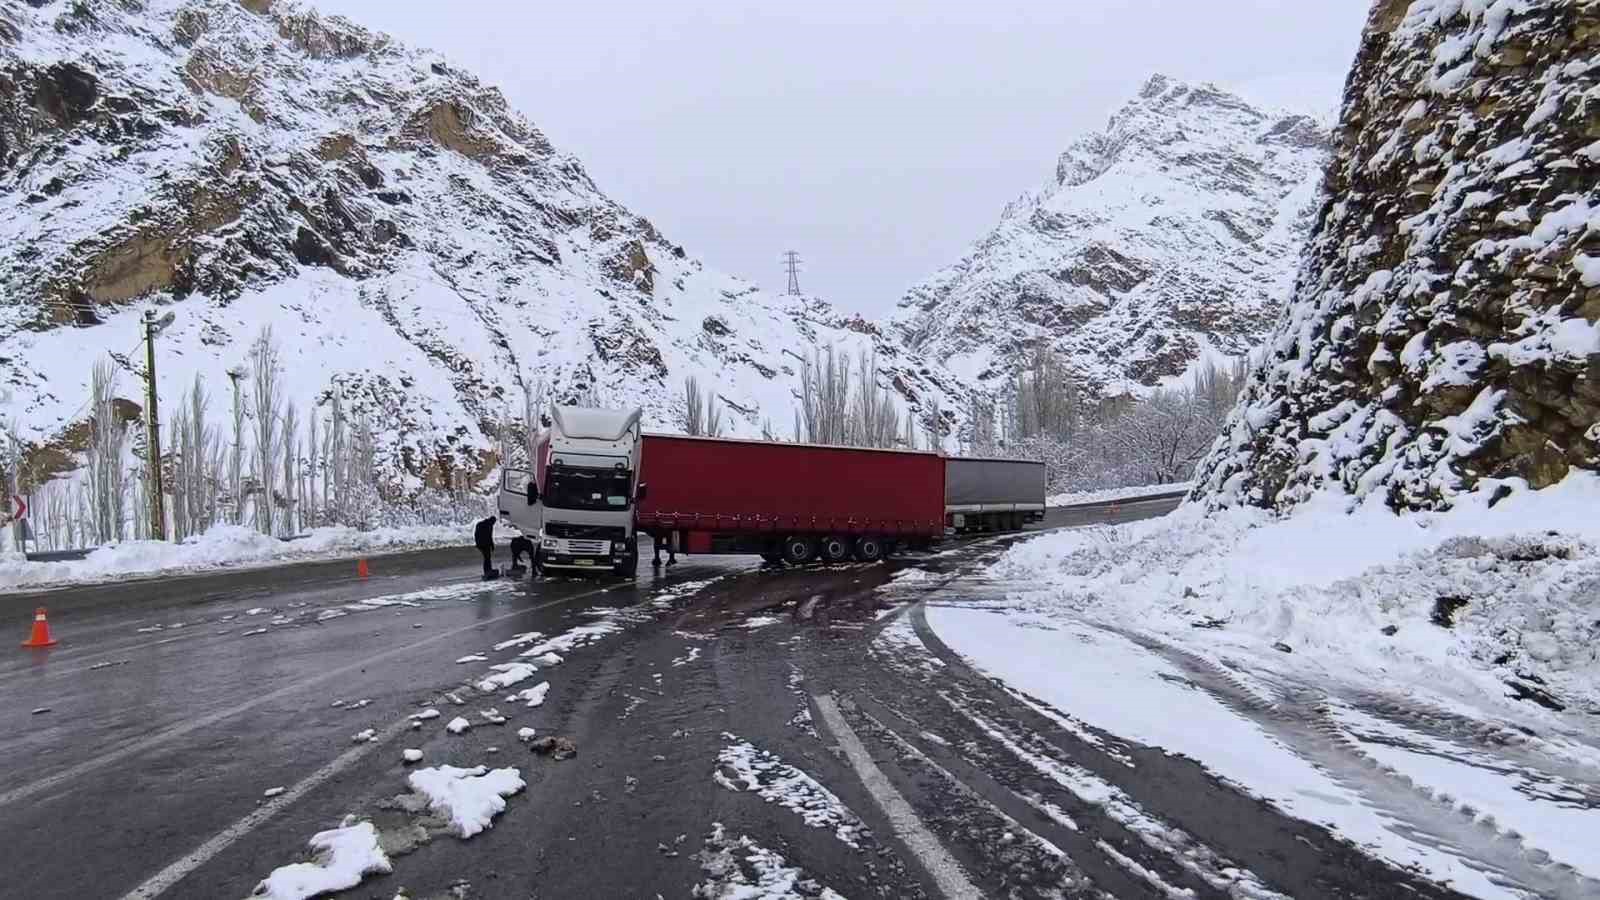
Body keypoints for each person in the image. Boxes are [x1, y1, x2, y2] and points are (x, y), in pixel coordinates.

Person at [475, 515, 499, 580]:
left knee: (487, 557)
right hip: (482, 544)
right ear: (491, 520)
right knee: (487, 557)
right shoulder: (482, 525)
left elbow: (490, 536)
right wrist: (479, 544)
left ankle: (488, 570)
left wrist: (492, 545)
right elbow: (478, 535)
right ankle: (487, 571)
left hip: (484, 544)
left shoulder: (489, 525)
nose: (493, 524)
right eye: (493, 522)